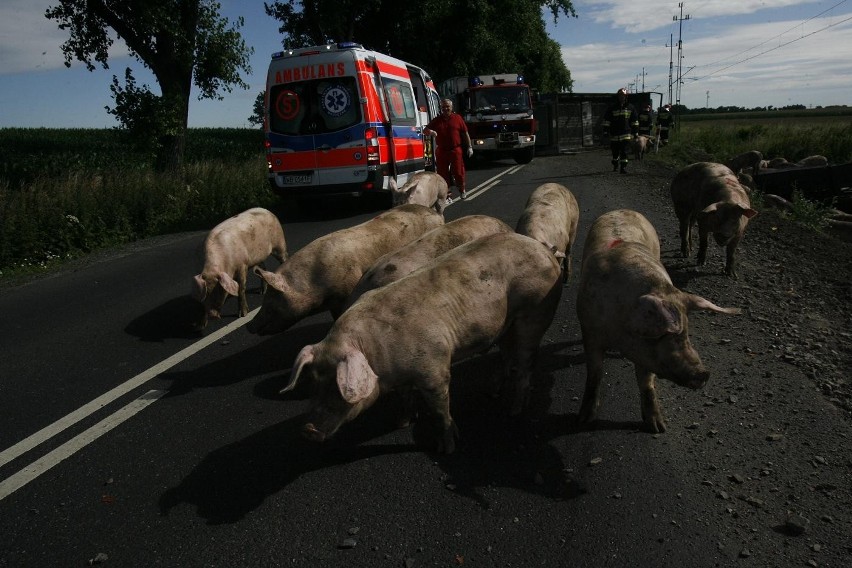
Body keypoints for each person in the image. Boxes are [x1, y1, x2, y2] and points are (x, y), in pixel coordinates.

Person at [424, 98, 473, 201]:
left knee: (458, 172)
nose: (445, 109)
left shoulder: (457, 118)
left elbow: (465, 133)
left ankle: (462, 189)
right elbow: (425, 130)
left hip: (455, 150)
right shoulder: (437, 120)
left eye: (447, 107)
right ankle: (447, 195)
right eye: (443, 107)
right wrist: (431, 132)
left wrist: (469, 147)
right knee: (442, 174)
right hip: (442, 150)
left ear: (451, 107)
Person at [602, 88, 638, 174]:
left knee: (624, 151)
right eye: (620, 95)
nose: (622, 97)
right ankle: (615, 163)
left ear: (626, 97)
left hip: (626, 134)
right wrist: (606, 131)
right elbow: (607, 120)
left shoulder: (631, 107)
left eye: (623, 96)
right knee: (615, 152)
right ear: (618, 96)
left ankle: (623, 168)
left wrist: (635, 132)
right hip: (614, 134)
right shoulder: (612, 108)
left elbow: (634, 121)